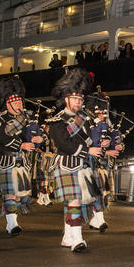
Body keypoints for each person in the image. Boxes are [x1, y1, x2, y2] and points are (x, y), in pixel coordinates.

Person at [47, 68, 105, 252]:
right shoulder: (57, 120)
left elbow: (89, 139)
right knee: (74, 202)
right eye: (75, 99)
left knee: (74, 203)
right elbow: (63, 143)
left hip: (83, 166)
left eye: (80, 99)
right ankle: (77, 239)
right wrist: (89, 150)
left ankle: (68, 237)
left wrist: (101, 144)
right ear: (66, 99)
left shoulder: (85, 120)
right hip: (66, 165)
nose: (78, 102)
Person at [0, 76, 40, 236]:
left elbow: (30, 136)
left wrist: (37, 140)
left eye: (20, 103)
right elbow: (3, 138)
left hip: (22, 160)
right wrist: (21, 144)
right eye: (15, 103)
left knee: (18, 194)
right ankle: (12, 223)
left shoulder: (26, 119)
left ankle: (13, 220)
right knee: (10, 193)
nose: (19, 105)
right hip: (6, 160)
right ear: (7, 103)